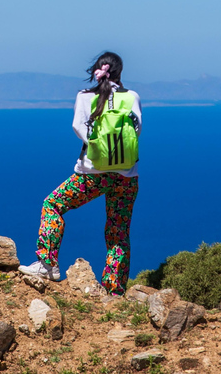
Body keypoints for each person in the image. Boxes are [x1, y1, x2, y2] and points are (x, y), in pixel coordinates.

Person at [19, 51, 142, 295]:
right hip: (127, 176)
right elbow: (136, 130)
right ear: (119, 72)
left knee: (52, 204)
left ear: (97, 71)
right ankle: (114, 289)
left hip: (92, 173)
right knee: (118, 230)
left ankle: (47, 263)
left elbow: (77, 126)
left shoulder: (85, 97)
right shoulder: (132, 96)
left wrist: (97, 147)